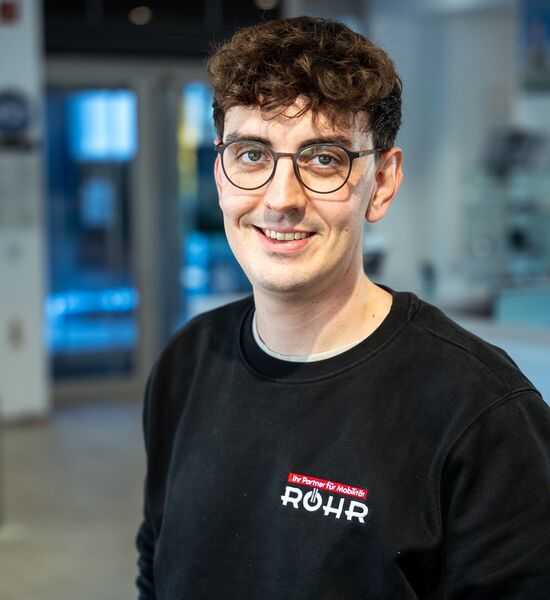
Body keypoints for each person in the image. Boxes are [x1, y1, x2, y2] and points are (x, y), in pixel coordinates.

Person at [136, 16, 550, 599]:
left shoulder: (480, 411)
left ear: (382, 183)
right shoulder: (186, 363)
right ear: (221, 175)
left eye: (324, 159)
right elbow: (155, 566)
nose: (281, 199)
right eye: (252, 154)